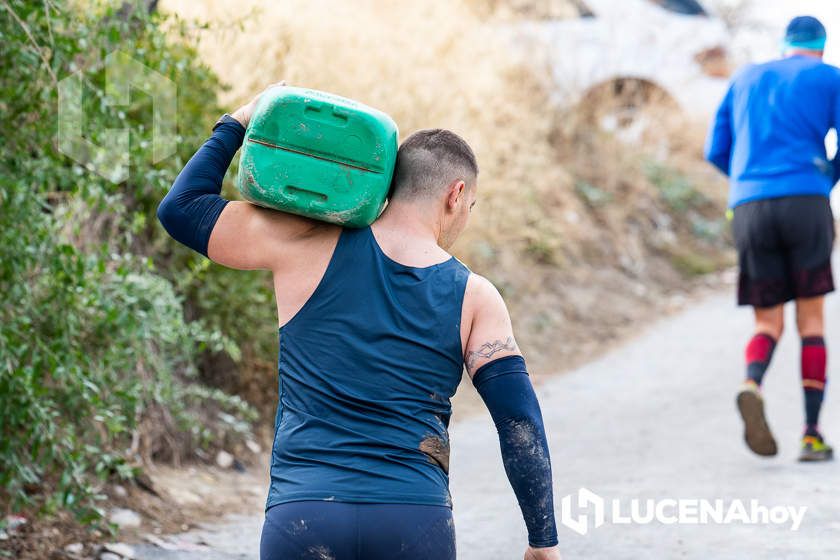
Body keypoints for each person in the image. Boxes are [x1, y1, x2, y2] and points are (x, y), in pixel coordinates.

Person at [157, 84, 562, 560]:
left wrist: (242, 119)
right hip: (412, 519)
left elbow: (180, 208)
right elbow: (518, 421)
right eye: (470, 208)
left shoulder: (305, 241)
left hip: (303, 515)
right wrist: (542, 541)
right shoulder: (475, 297)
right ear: (456, 195)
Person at [705, 16, 840, 462]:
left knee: (767, 322)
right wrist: (828, 175)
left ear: (785, 46)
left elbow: (716, 150)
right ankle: (811, 434)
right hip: (805, 200)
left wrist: (747, 185)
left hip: (750, 207)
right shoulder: (829, 77)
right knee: (812, 322)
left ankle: (751, 383)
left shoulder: (745, 78)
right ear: (820, 47)